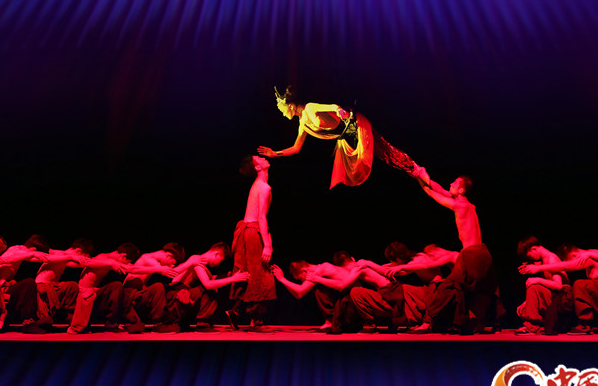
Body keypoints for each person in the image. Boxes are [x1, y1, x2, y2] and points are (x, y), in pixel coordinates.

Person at [257, 86, 428, 188]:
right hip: (351, 135)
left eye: (282, 109)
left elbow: (332, 106)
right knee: (383, 154)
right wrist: (274, 153)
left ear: (291, 106)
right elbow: (296, 148)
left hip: (357, 125)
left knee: (385, 151)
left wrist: (340, 111)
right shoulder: (303, 124)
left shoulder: (309, 108)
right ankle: (414, 171)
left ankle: (416, 169)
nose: (282, 113)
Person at [408, 168, 498, 333]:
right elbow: (441, 190)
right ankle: (476, 321)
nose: (450, 184)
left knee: (447, 287)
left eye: (455, 183)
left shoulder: (459, 206)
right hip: (483, 254)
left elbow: (432, 193)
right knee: (478, 288)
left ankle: (429, 322)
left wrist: (420, 178)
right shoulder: (469, 205)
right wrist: (423, 176)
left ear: (462, 190)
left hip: (471, 255)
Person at [520, 244, 598, 334]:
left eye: (570, 260)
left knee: (579, 284)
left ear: (574, 255)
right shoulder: (592, 254)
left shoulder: (588, 256)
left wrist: (538, 268)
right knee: (582, 289)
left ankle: (584, 324)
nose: (573, 262)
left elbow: (566, 266)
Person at [228, 155, 276, 330]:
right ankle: (254, 318)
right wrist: (267, 244)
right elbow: (261, 217)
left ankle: (237, 312)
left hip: (247, 230)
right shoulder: (263, 187)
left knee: (248, 271)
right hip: (253, 230)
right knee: (259, 273)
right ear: (257, 167)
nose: (264, 158)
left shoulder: (258, 185)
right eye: (259, 158)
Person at [164, 243, 249, 331]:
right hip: (176, 297)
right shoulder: (197, 261)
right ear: (216, 254)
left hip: (180, 296)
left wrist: (229, 275)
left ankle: (193, 323)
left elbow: (211, 278)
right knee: (210, 289)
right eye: (220, 261)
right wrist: (233, 278)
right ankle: (202, 324)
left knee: (213, 285)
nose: (218, 264)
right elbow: (208, 284)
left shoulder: (200, 264)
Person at [515, 236, 569, 335]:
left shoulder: (551, 258)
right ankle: (540, 326)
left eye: (529, 255)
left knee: (533, 285)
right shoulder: (544, 260)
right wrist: (527, 302)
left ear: (534, 248)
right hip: (553, 295)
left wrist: (538, 279)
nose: (529, 258)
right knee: (523, 310)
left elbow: (558, 286)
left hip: (562, 297)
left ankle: (532, 326)